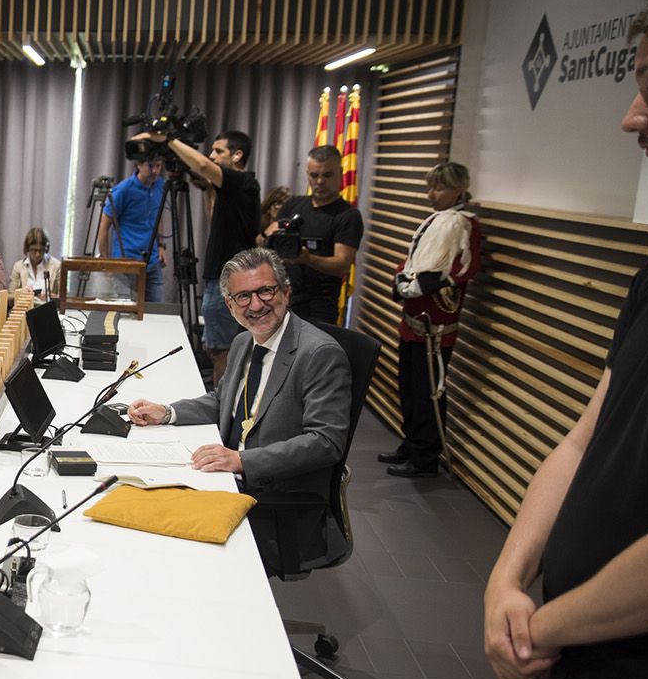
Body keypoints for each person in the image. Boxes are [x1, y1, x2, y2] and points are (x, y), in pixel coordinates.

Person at [482, 0, 648, 679]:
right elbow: (585, 436)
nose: (634, 117)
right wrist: (508, 575)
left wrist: (542, 625)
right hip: (573, 671)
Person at [125, 246, 351, 566]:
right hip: (227, 479)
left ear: (286, 292)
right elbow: (223, 400)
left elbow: (326, 443)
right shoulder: (245, 340)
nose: (256, 305)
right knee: (137, 496)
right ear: (230, 306)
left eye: (265, 291)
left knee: (162, 543)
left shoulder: (319, 354)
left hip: (274, 498)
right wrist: (169, 412)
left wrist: (242, 461)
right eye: (243, 297)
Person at [379, 162, 483, 478]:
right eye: (430, 187)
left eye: (438, 188)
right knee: (408, 388)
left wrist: (420, 284)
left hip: (435, 325)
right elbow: (414, 260)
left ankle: (425, 457)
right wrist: (402, 278)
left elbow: (463, 267)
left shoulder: (463, 224)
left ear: (457, 189)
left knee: (428, 393)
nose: (431, 194)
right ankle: (411, 443)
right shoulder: (438, 220)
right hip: (412, 320)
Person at [147, 129, 261, 381]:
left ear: (238, 155)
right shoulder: (230, 189)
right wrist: (209, 187)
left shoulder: (242, 182)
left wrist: (167, 139)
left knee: (221, 350)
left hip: (230, 278)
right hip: (221, 276)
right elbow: (215, 220)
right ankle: (225, 402)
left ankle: (223, 408)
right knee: (216, 348)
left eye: (219, 151)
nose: (212, 156)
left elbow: (201, 164)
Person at [265, 145, 362, 323]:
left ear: (340, 173)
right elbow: (262, 242)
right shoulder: (294, 204)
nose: (319, 182)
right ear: (307, 174)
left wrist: (307, 258)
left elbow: (342, 265)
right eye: (314, 175)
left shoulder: (347, 216)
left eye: (327, 175)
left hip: (318, 309)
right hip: (280, 300)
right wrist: (268, 236)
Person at [99, 155, 167, 302]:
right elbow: (103, 228)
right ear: (138, 165)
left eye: (159, 166)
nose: (155, 170)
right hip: (126, 261)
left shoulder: (161, 186)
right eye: (150, 166)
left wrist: (161, 245)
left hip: (152, 260)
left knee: (158, 311)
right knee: (126, 311)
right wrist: (106, 263)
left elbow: (158, 215)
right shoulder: (123, 190)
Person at [9, 226, 61, 299]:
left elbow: (64, 298)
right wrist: (21, 293)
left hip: (48, 308)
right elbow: (10, 296)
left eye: (41, 250)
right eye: (34, 250)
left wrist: (52, 297)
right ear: (27, 249)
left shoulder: (57, 266)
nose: (37, 254)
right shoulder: (19, 266)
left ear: (46, 249)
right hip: (25, 308)